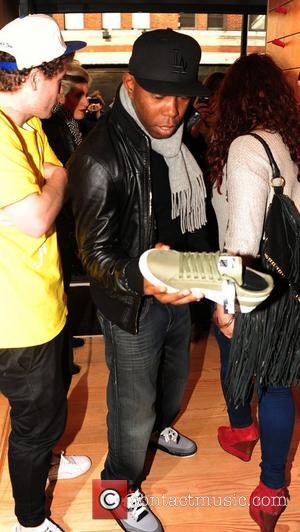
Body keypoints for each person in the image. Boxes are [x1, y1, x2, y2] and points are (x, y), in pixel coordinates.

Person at [69, 29, 209, 532]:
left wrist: (209, 279)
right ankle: (116, 489)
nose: (172, 110)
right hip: (131, 301)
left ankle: (157, 430)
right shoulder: (98, 156)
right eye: (158, 95)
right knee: (131, 406)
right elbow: (94, 255)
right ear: (129, 84)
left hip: (179, 292)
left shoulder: (181, 142)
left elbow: (191, 221)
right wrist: (145, 277)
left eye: (181, 96)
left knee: (171, 387)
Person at [0, 14, 90, 532]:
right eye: (58, 78)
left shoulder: (29, 125)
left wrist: (52, 180)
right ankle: (30, 520)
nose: (64, 89)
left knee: (51, 402)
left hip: (42, 303)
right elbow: (37, 217)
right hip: (17, 320)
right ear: (34, 77)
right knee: (35, 423)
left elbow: (57, 175)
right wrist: (55, 180)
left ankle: (49, 461)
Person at [208, 53, 300, 530]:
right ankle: (264, 470)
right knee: (276, 378)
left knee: (268, 379)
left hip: (253, 285)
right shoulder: (286, 142)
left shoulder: (245, 148)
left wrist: (228, 303)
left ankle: (265, 475)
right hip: (287, 285)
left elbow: (241, 237)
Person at [42, 61, 91, 371]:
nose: (85, 102)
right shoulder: (50, 124)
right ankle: (60, 351)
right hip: (55, 215)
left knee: (66, 279)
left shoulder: (68, 123)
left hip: (65, 212)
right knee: (58, 280)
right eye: (78, 96)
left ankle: (64, 337)